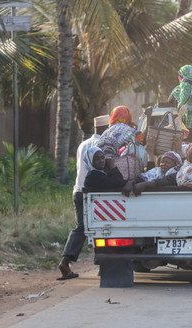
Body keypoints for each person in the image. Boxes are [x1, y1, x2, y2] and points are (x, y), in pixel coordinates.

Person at [57, 115, 109, 280]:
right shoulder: (100, 145)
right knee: (96, 226)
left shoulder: (83, 144)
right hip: (92, 193)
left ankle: (70, 262)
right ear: (106, 129)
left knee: (84, 227)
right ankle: (70, 262)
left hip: (78, 191)